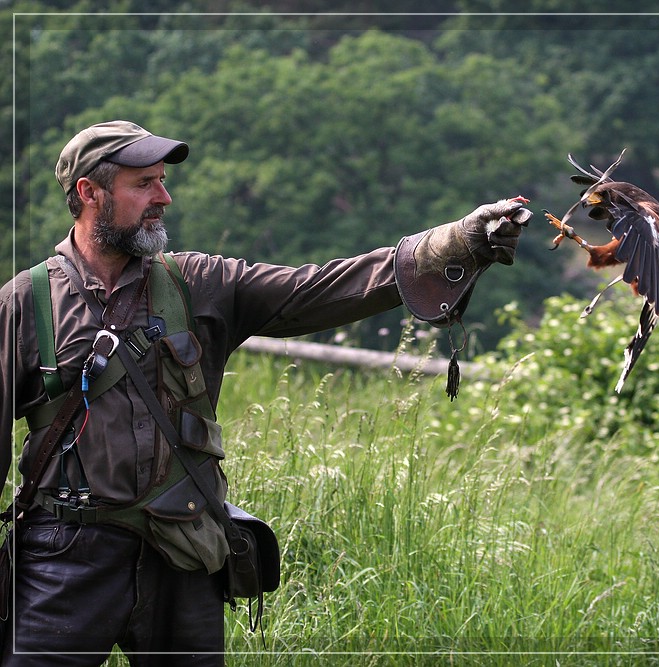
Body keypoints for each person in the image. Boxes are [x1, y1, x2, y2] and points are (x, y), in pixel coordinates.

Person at [0, 120, 530, 664]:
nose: (165, 196)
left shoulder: (198, 281)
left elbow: (318, 289)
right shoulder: (24, 303)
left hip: (183, 553)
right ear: (89, 192)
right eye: (144, 184)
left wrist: (453, 244)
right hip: (64, 557)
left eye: (162, 180)